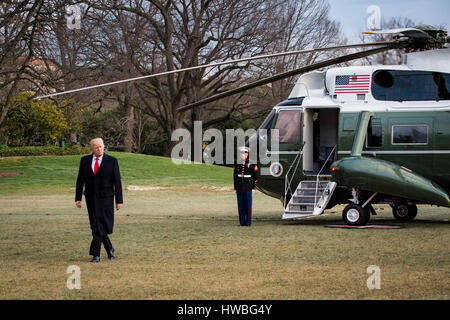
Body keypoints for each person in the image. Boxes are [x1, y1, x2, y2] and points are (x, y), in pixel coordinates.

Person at [75, 138, 123, 262]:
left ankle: (96, 254)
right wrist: (78, 198)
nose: (99, 149)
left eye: (101, 146)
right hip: (91, 198)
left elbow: (117, 182)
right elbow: (80, 180)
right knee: (95, 225)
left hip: (106, 199)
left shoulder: (112, 161)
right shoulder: (84, 161)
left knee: (99, 225)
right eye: (96, 147)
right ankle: (110, 248)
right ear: (91, 149)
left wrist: (119, 200)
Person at [233, 147, 258, 226]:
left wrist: (253, 187)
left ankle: (248, 222)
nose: (243, 155)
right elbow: (235, 176)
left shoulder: (252, 163)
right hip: (239, 186)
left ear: (247, 154)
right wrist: (235, 187)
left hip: (248, 186)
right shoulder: (237, 163)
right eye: (241, 153)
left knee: (248, 205)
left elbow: (255, 177)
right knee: (240, 206)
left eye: (245, 153)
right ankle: (242, 222)